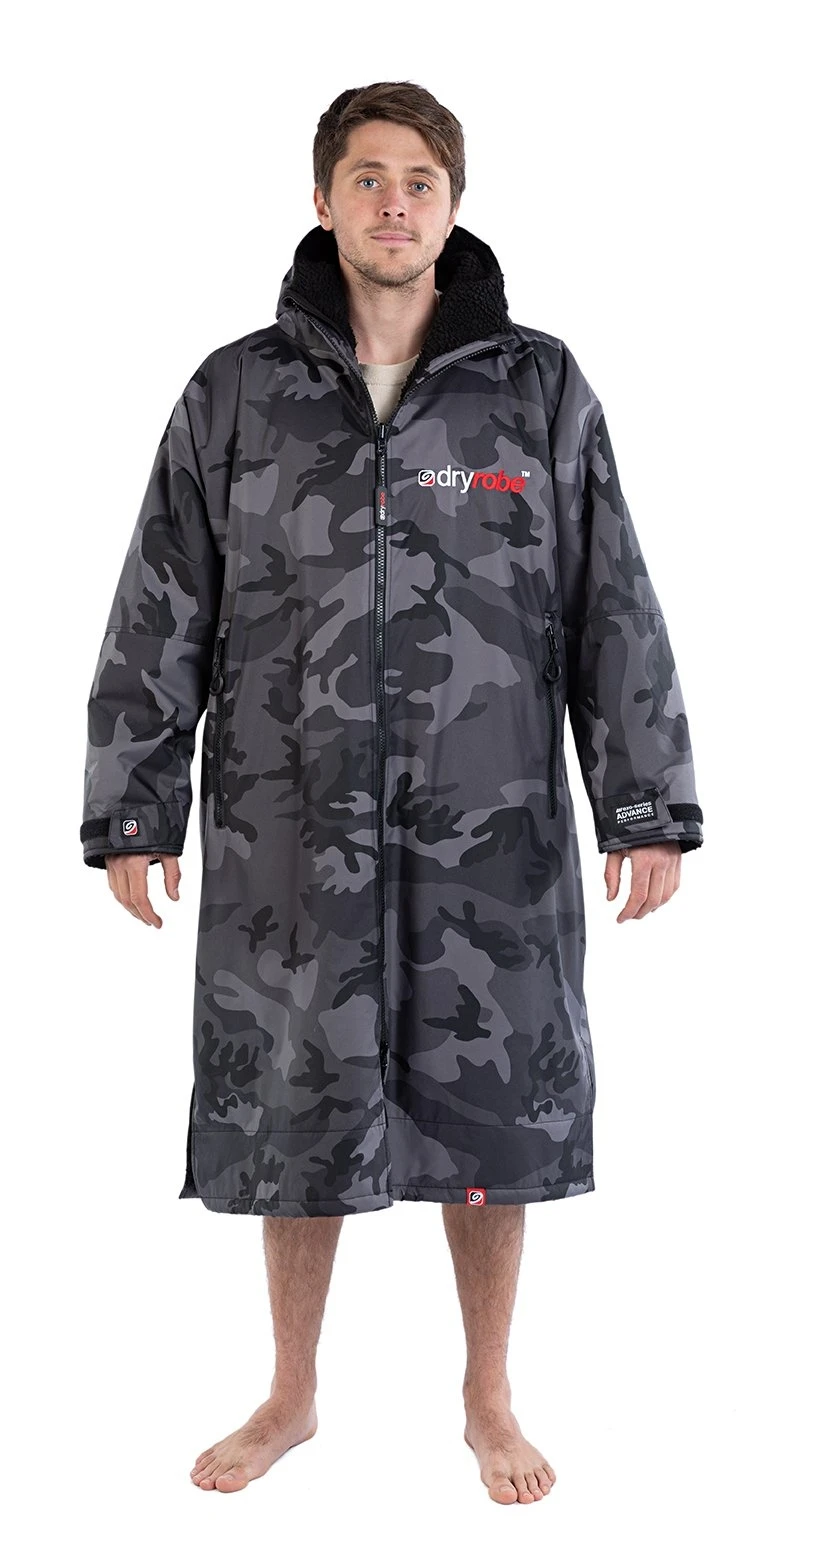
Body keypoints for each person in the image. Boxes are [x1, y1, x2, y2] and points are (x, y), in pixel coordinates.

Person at [80, 81, 704, 1503]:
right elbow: (161, 602)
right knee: (294, 1104)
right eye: (366, 178)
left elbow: (609, 600)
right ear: (323, 201)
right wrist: (134, 804)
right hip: (289, 825)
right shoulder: (236, 393)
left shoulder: (535, 387)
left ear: (452, 205)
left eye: (419, 180)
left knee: (490, 1112)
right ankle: (291, 1393)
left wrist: (645, 802)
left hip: (489, 824)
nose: (393, 203)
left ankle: (487, 1396)